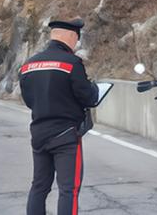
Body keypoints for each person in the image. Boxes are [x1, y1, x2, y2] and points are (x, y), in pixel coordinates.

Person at [19, 18, 99, 215]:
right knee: (68, 191)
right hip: (65, 135)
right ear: (71, 36)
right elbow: (88, 97)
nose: (76, 44)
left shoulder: (29, 65)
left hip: (39, 133)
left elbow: (29, 100)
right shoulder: (72, 63)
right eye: (76, 39)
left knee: (39, 187)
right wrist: (94, 88)